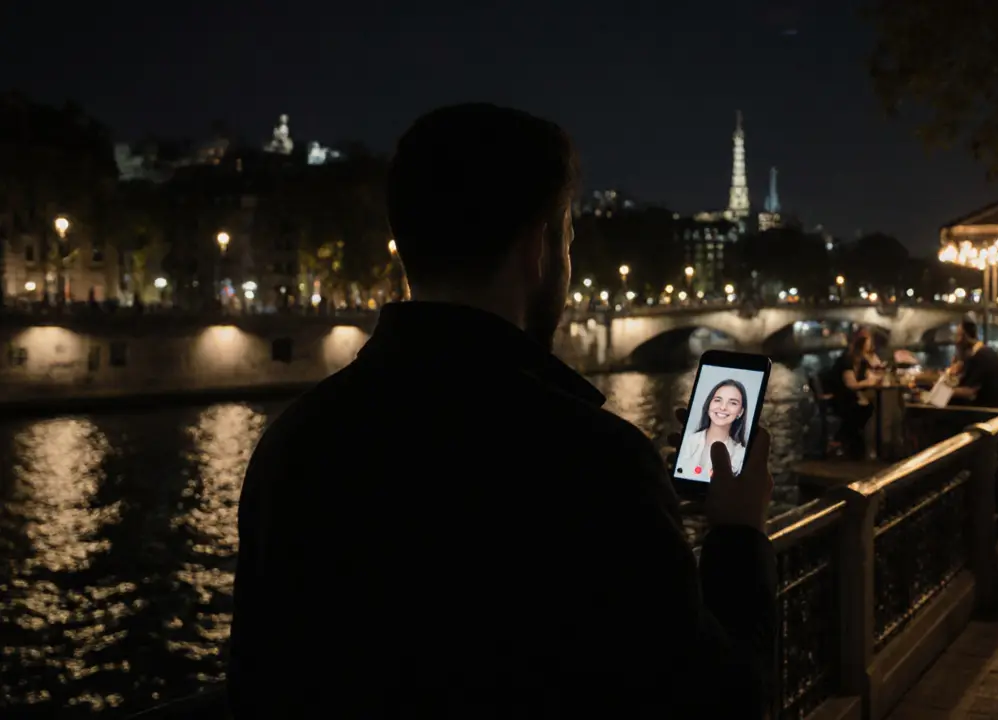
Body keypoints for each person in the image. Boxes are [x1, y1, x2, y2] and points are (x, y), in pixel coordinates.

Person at [228, 104, 778, 718]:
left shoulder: (291, 447)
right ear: (540, 249)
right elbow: (728, 702)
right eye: (568, 238)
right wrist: (736, 533)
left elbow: (257, 684)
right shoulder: (595, 462)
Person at [677, 379, 750, 476]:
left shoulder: (741, 455)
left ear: (740, 412)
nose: (723, 407)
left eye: (733, 403)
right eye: (718, 400)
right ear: (708, 405)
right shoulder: (686, 441)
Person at [830, 333, 884, 459]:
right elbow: (851, 385)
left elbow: (869, 374)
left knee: (868, 408)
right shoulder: (846, 361)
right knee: (863, 410)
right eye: (868, 344)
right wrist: (868, 382)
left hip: (852, 397)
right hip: (841, 397)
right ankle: (852, 444)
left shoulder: (861, 362)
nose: (871, 348)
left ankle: (855, 444)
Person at [949, 318, 998, 407]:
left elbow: (969, 391)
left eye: (958, 336)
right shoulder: (983, 352)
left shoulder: (980, 356)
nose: (956, 341)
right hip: (993, 407)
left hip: (987, 411)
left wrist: (941, 393)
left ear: (966, 337)